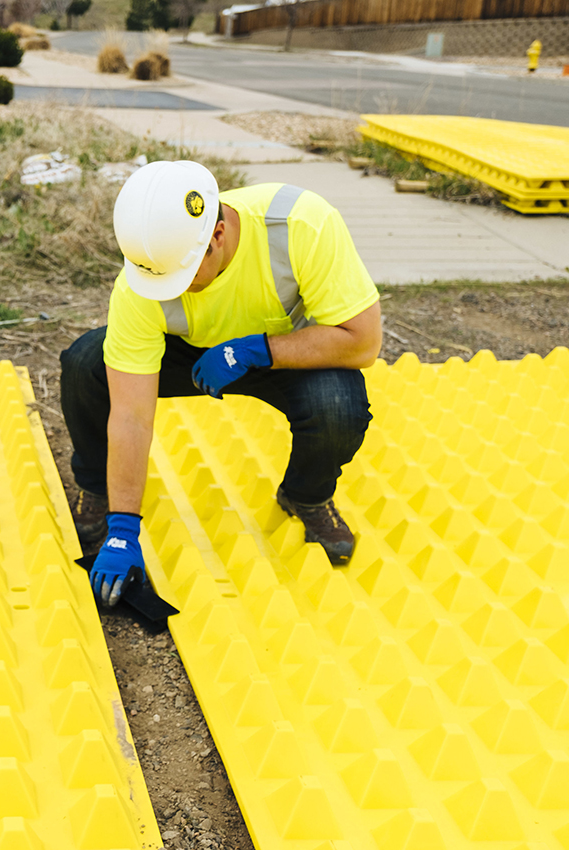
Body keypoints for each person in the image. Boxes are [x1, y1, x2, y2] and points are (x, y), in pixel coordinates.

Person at [61, 160, 382, 606]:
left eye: (182, 276)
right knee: (84, 364)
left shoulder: (300, 225)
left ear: (217, 235)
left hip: (280, 349)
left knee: (338, 405)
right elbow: (132, 415)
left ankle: (306, 496)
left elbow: (363, 343)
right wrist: (123, 528)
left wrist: (253, 351)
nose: (169, 290)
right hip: (190, 350)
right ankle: (98, 491)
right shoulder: (145, 278)